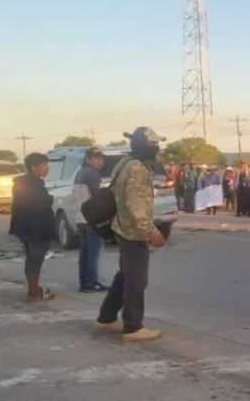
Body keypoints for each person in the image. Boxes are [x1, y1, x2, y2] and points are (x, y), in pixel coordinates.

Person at [95, 127, 167, 342]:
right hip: (133, 231)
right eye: (154, 144)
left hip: (123, 227)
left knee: (125, 276)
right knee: (136, 280)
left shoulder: (126, 162)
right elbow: (136, 206)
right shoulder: (136, 168)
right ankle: (133, 327)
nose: (157, 147)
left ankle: (106, 318)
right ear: (145, 145)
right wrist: (152, 231)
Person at [11, 152, 57, 301]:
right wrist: (37, 232)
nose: (46, 168)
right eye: (44, 165)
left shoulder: (24, 182)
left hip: (26, 228)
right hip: (36, 228)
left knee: (33, 259)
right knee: (35, 259)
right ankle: (33, 292)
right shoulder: (33, 184)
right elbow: (35, 208)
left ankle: (34, 288)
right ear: (33, 167)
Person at [74, 147, 108, 293]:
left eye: (101, 158)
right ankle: (91, 283)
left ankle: (84, 282)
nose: (99, 161)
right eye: (96, 158)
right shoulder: (92, 174)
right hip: (92, 219)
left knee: (85, 253)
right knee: (93, 253)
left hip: (81, 217)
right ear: (87, 159)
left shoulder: (79, 172)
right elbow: (98, 198)